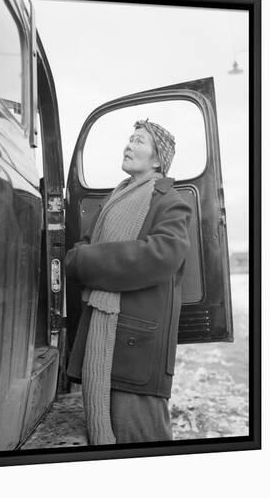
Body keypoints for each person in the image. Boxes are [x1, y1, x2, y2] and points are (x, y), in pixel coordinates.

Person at [65, 118, 192, 445]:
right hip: (104, 335)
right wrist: (83, 255)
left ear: (157, 159)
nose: (128, 145)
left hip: (135, 342)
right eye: (129, 139)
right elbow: (89, 241)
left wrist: (83, 261)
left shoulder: (169, 201)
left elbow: (162, 255)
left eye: (139, 141)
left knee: (142, 440)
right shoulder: (115, 199)